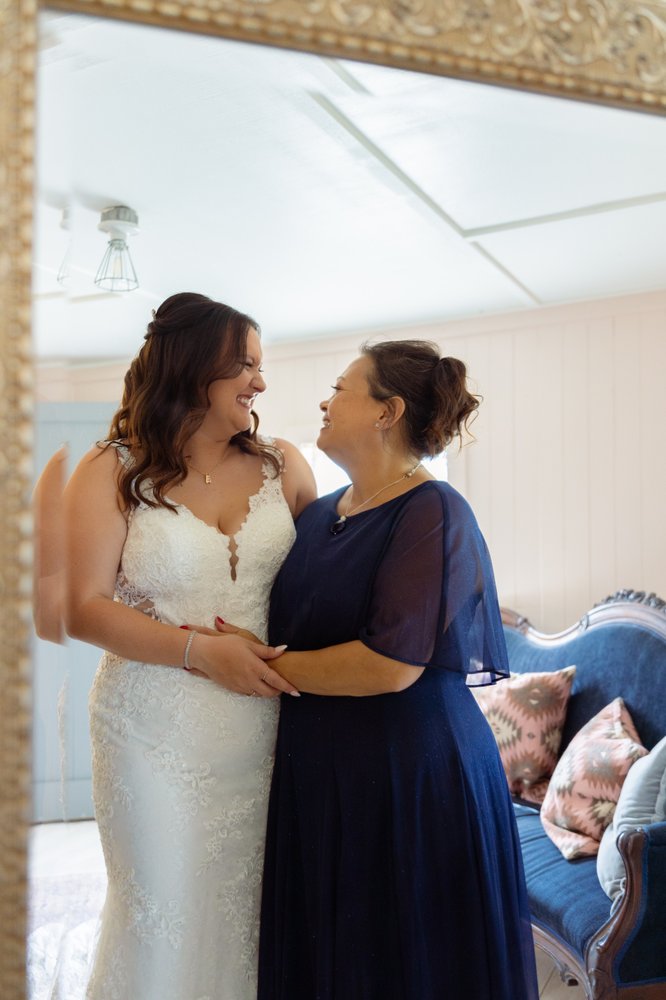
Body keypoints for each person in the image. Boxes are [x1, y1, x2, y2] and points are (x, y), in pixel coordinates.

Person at [221, 339, 539, 999]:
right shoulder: (317, 515)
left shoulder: (433, 510)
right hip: (321, 769)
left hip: (411, 775)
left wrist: (260, 668)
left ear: (386, 411)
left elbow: (391, 664)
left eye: (340, 388)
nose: (323, 401)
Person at [63, 292, 316, 999]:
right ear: (192, 365)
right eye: (245, 365)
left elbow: (325, 589)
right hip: (151, 732)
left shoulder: (285, 467)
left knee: (250, 914)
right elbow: (82, 608)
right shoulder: (111, 469)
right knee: (163, 914)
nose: (260, 381)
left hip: (265, 728)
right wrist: (197, 652)